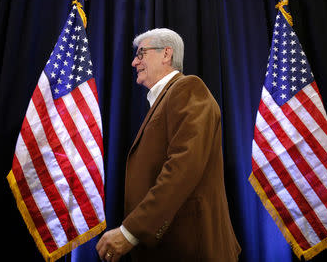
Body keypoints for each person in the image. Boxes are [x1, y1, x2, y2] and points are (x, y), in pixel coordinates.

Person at [96, 28, 241, 262]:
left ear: (166, 54)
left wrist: (131, 231)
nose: (134, 62)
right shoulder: (165, 100)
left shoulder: (188, 89)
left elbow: (183, 167)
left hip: (192, 250)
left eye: (141, 54)